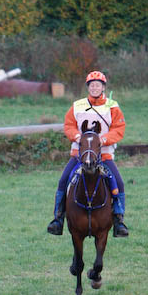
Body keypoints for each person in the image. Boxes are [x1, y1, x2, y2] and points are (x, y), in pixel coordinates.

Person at [47, 70, 129, 237]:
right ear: (88, 87)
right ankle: (58, 219)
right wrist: (78, 137)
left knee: (118, 183)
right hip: (79, 155)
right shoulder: (77, 105)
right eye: (92, 85)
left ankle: (119, 220)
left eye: (98, 85)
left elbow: (119, 129)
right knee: (64, 181)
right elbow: (69, 125)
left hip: (104, 156)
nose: (94, 88)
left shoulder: (113, 106)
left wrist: (104, 139)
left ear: (103, 87)